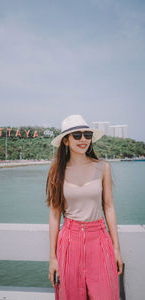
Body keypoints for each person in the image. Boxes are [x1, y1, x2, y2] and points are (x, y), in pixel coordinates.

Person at [46, 114, 123, 300]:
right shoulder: (57, 170)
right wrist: (53, 257)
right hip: (69, 242)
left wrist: (116, 248)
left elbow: (109, 207)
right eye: (77, 135)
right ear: (66, 140)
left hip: (99, 239)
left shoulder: (102, 167)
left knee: (106, 294)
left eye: (87, 135)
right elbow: (55, 214)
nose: (83, 140)